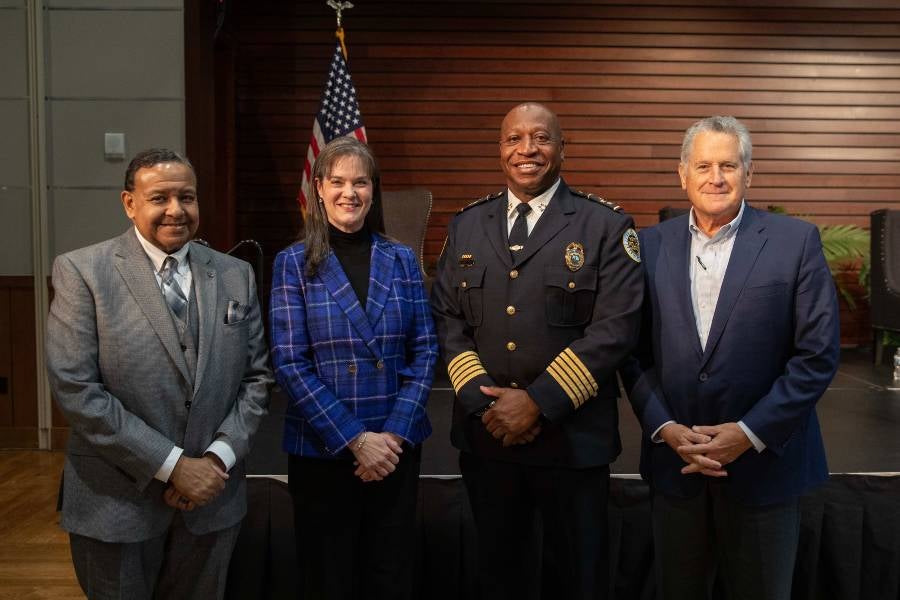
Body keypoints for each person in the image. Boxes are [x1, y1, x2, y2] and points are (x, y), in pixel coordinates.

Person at [430, 102, 644, 600]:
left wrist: (536, 403)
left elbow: (617, 327)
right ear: (500, 150)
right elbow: (446, 317)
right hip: (488, 441)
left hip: (572, 440)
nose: (527, 149)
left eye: (541, 138)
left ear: (562, 148)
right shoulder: (466, 224)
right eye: (514, 139)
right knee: (498, 575)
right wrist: (486, 405)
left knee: (578, 577)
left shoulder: (605, 225)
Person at [622, 116, 840, 600]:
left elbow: (817, 355)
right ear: (682, 174)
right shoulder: (647, 246)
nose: (715, 177)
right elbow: (631, 353)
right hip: (676, 467)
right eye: (703, 165)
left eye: (728, 164)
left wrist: (749, 433)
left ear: (749, 172)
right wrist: (664, 427)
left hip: (765, 470)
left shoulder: (795, 241)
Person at [45, 148, 272, 599]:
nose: (176, 210)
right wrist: (172, 467)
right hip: (116, 505)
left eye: (186, 197)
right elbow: (77, 390)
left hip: (213, 500)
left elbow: (257, 380)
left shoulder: (235, 275)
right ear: (129, 203)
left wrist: (214, 462)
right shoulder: (82, 272)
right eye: (159, 198)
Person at [270, 136, 438, 600]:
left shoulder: (402, 260)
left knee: (390, 571)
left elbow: (425, 352)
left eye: (360, 182)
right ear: (319, 189)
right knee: (328, 577)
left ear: (373, 190)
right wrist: (356, 440)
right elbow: (289, 362)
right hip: (323, 447)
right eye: (338, 182)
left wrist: (392, 436)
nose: (350, 193)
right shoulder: (292, 264)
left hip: (395, 449)